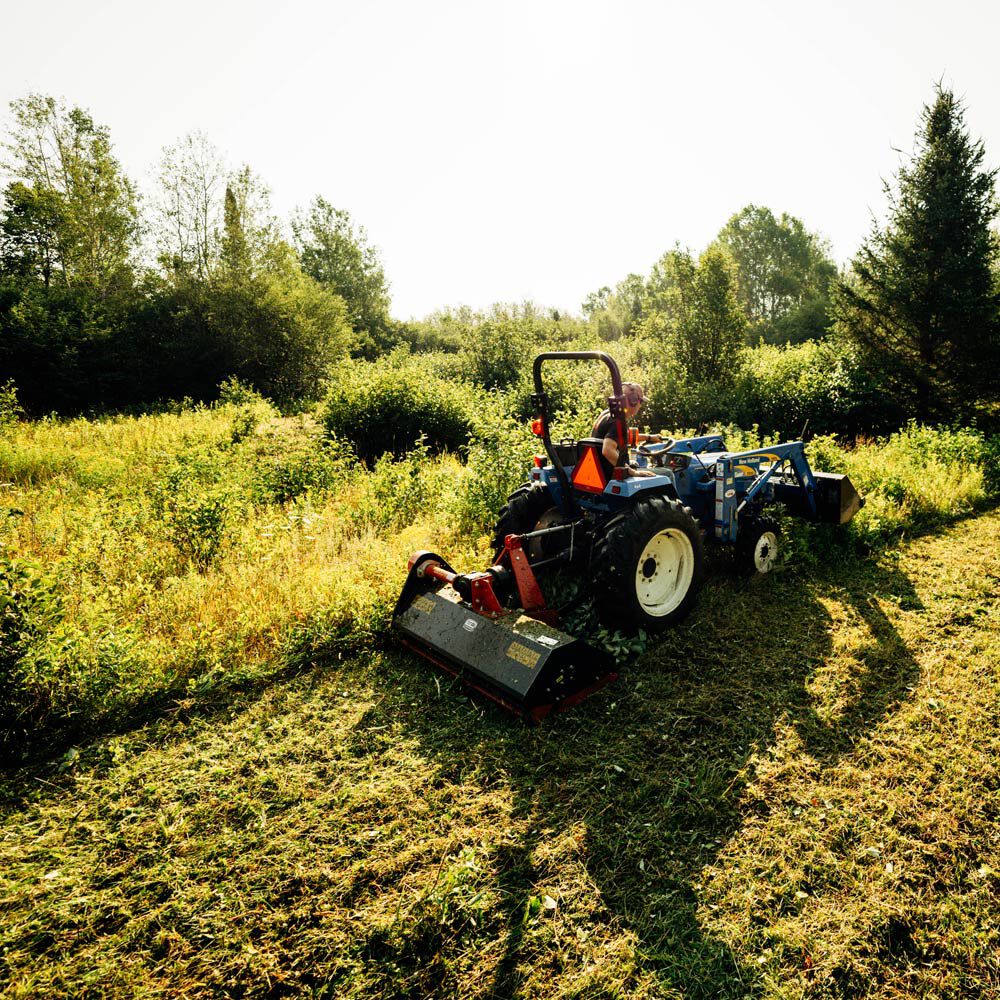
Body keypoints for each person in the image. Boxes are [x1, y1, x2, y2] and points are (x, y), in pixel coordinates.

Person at [591, 381, 662, 478]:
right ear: (633, 401)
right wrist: (633, 472)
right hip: (615, 474)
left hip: (601, 471)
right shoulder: (618, 421)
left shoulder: (607, 415)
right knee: (668, 474)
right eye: (640, 401)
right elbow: (607, 450)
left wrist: (649, 437)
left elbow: (621, 436)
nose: (640, 405)